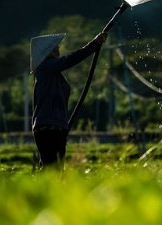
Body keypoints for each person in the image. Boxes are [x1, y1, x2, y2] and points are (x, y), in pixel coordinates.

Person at [30, 31, 107, 169]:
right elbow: (70, 60)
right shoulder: (45, 67)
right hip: (48, 127)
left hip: (57, 127)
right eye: (56, 47)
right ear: (49, 52)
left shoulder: (54, 74)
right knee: (52, 170)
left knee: (56, 170)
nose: (59, 49)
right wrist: (94, 44)